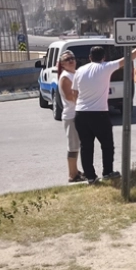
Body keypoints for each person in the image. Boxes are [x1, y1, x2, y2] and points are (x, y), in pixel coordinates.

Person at [73, 44, 136, 184]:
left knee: (86, 147)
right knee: (107, 145)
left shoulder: (80, 71)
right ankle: (107, 172)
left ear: (89, 57)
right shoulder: (106, 67)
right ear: (104, 57)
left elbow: (74, 93)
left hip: (80, 113)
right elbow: (129, 57)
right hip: (99, 113)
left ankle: (91, 177)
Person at [57, 50, 84, 183]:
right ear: (62, 64)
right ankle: (72, 175)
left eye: (72, 58)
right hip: (71, 115)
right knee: (73, 146)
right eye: (67, 59)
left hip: (79, 113)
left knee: (78, 145)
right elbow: (69, 96)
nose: (71, 61)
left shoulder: (76, 73)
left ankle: (76, 171)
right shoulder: (65, 77)